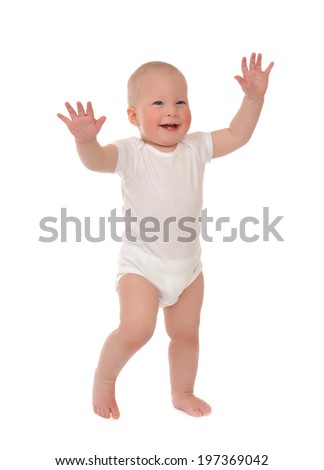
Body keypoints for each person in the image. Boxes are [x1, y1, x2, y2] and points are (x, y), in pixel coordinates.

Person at [57, 53, 274, 419]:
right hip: (141, 265)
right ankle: (105, 379)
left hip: (188, 270)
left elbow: (238, 135)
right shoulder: (131, 152)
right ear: (133, 116)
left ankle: (182, 391)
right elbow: (97, 162)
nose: (171, 111)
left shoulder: (196, 147)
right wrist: (86, 141)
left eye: (180, 101)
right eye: (158, 103)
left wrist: (253, 99)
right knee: (137, 329)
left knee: (187, 334)